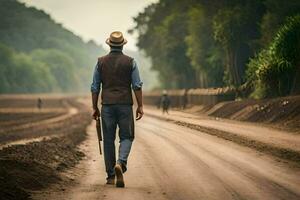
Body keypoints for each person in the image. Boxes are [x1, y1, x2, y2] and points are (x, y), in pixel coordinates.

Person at [91, 31, 144, 188]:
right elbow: (137, 85)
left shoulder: (100, 62)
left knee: (108, 140)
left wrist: (94, 107)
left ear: (109, 44)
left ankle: (110, 176)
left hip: (107, 105)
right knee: (127, 137)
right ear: (122, 44)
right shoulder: (131, 62)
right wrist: (140, 105)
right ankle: (120, 163)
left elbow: (94, 87)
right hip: (125, 105)